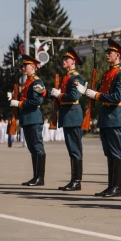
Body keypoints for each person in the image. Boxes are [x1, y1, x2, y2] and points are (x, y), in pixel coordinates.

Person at [79, 39, 121, 198]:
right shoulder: (107, 73)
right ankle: (111, 186)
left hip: (115, 116)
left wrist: (96, 95)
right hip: (105, 117)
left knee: (116, 152)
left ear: (118, 55)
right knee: (109, 153)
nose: (107, 55)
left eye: (110, 53)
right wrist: (89, 93)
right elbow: (101, 94)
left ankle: (117, 187)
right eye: (107, 52)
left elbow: (117, 97)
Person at [8, 54, 47, 186]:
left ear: (33, 67)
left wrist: (19, 104)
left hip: (34, 117)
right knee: (32, 148)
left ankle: (40, 178)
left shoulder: (36, 81)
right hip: (27, 118)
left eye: (26, 66)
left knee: (37, 147)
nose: (23, 68)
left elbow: (37, 100)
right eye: (23, 66)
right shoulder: (27, 82)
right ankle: (35, 176)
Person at [50, 46, 85, 191]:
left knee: (75, 149)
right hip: (67, 116)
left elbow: (74, 96)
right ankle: (74, 179)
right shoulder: (66, 77)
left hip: (73, 115)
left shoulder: (75, 77)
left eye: (67, 59)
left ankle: (77, 181)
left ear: (73, 61)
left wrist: (59, 95)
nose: (64, 60)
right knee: (71, 149)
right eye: (64, 58)